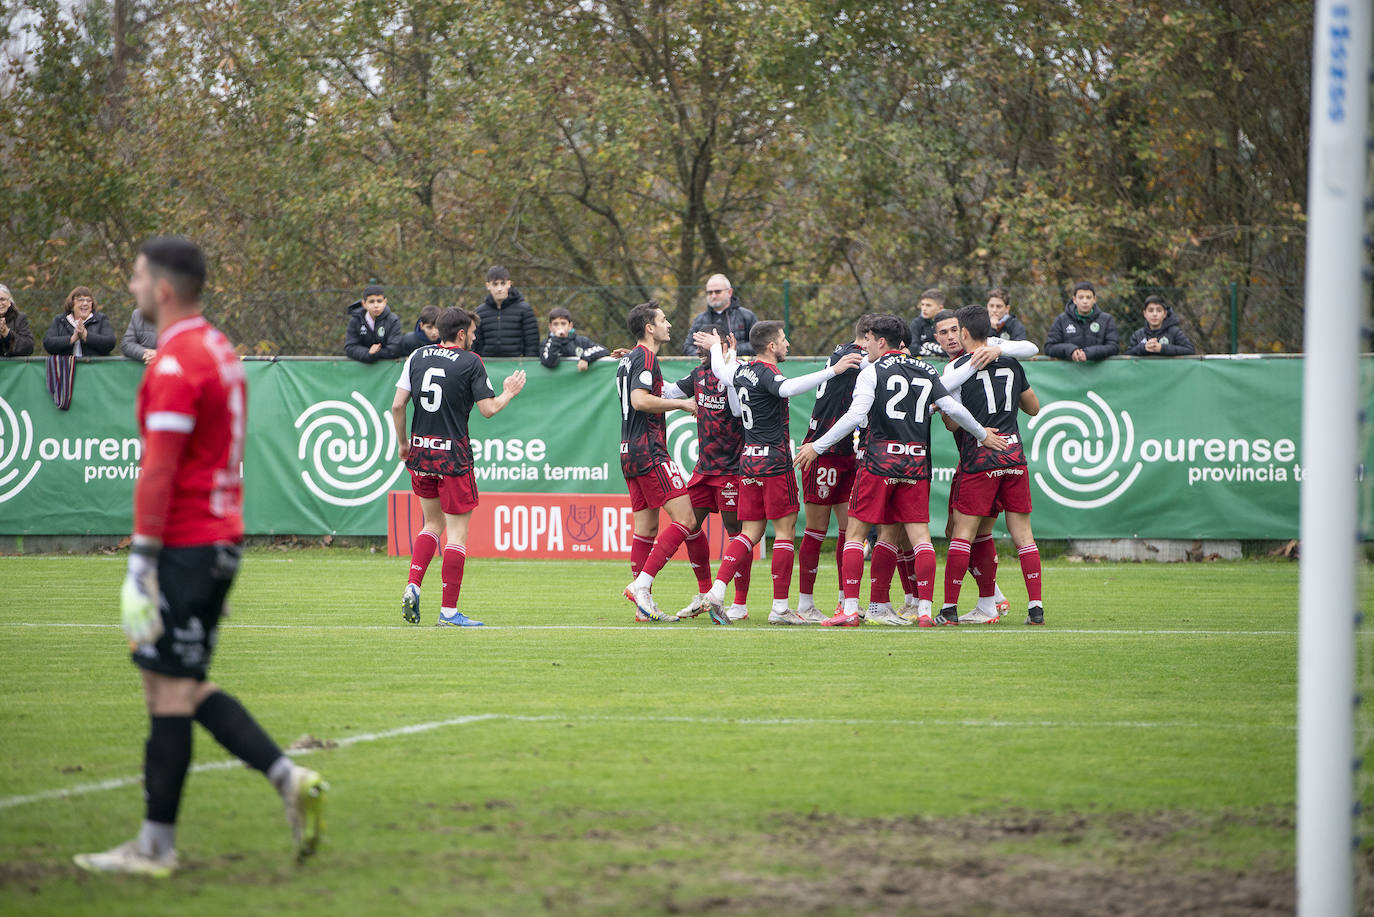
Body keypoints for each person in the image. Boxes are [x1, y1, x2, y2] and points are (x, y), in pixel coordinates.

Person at [74, 237, 325, 878]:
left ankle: (156, 845)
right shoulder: (218, 348)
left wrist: (141, 560)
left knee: (166, 692)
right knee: (182, 685)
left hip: (185, 543)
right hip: (218, 538)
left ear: (162, 288)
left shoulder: (177, 360)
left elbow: (159, 468)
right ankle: (285, 776)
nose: (129, 289)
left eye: (135, 279)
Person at [794, 314, 1005, 627]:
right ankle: (922, 611)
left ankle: (851, 608)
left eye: (867, 341)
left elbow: (854, 416)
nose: (863, 347)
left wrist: (817, 446)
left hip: (879, 461)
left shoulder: (872, 371)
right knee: (920, 538)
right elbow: (952, 408)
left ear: (881, 342)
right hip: (916, 463)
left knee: (856, 533)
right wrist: (982, 434)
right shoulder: (927, 369)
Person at [691, 321, 862, 625]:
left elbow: (719, 369)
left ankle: (717, 591)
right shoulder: (769, 373)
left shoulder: (740, 371)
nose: (787, 345)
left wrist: (718, 347)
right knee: (783, 534)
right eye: (784, 340)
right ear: (771, 346)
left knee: (750, 533)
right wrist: (832, 371)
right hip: (773, 461)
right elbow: (788, 388)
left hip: (749, 461)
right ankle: (780, 608)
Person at [391, 308, 526, 627]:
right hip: (453, 457)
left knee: (431, 524)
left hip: (421, 454)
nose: (476, 337)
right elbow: (488, 409)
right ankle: (449, 612)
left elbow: (398, 405)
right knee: (457, 535)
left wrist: (403, 443)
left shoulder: (417, 356)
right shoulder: (471, 362)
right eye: (474, 332)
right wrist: (508, 393)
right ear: (462, 334)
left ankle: (413, 584)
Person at [925, 308, 1040, 624]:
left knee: (963, 534)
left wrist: (965, 419)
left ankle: (949, 609)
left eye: (954, 331)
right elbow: (1033, 408)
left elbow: (951, 424)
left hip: (979, 458)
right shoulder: (1012, 361)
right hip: (1014, 456)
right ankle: (1034, 607)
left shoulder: (957, 368)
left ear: (963, 333)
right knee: (1022, 536)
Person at [617, 302, 728, 624]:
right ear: (649, 328)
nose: (669, 324)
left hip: (628, 450)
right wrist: (681, 404)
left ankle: (643, 606)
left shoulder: (631, 360)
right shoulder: (646, 358)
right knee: (687, 519)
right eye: (663, 320)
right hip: (650, 450)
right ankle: (642, 586)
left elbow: (639, 390)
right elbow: (640, 400)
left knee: (646, 528)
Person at [662, 334, 751, 621]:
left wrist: (725, 359)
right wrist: (640, 369)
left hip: (731, 469)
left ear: (723, 344)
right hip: (704, 469)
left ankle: (739, 604)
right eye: (697, 344)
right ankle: (704, 594)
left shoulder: (737, 372)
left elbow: (738, 409)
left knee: (735, 533)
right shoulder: (699, 374)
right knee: (689, 525)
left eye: (705, 343)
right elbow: (668, 392)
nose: (698, 348)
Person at [794, 315, 872, 622]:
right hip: (821, 450)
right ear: (868, 337)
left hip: (847, 452)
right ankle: (804, 605)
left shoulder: (860, 359)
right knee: (816, 530)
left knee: (848, 530)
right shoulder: (848, 354)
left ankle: (845, 601)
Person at [681, 273, 758, 357]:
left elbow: (758, 344)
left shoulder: (747, 316)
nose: (713, 296)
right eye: (710, 292)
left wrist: (729, 351)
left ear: (730, 292)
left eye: (718, 291)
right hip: (708, 368)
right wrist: (709, 354)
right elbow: (687, 347)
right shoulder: (700, 319)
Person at [472, 266, 539, 358]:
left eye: (502, 284)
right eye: (495, 284)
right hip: (488, 366)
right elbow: (475, 343)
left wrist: (528, 365)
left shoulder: (524, 310)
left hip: (517, 365)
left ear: (509, 284)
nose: (499, 288)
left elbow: (532, 344)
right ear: (488, 286)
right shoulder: (480, 312)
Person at [1044, 282, 1118, 362]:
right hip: (1068, 372)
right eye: (1081, 297)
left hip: (1098, 372)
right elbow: (1049, 347)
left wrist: (1089, 353)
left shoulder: (1106, 320)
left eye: (1088, 297)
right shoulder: (1061, 320)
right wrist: (1070, 350)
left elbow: (1114, 347)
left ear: (1094, 299)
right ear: (1074, 300)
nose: (1085, 301)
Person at [43, 286, 116, 356]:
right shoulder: (60, 320)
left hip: (94, 368)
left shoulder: (101, 319)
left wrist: (86, 336)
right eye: (80, 300)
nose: (85, 303)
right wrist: (72, 339)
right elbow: (48, 343)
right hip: (66, 368)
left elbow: (110, 342)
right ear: (72, 303)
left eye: (89, 300)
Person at [344, 284, 404, 363]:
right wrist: (368, 353)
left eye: (379, 301)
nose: (376, 305)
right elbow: (350, 347)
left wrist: (377, 352)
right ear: (364, 304)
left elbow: (395, 349)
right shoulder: (355, 321)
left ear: (385, 302)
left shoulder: (393, 320)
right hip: (362, 368)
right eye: (371, 302)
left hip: (387, 369)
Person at [540, 307, 611, 370]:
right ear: (550, 327)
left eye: (563, 323)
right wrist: (556, 340)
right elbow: (549, 362)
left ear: (570, 326)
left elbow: (603, 350)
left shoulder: (581, 341)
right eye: (556, 324)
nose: (560, 327)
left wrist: (585, 358)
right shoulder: (546, 344)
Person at [1126, 295, 1197, 356]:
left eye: (1159, 310)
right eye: (1150, 310)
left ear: (1165, 314)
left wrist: (1162, 348)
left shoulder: (1174, 332)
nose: (1154, 314)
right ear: (1145, 314)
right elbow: (1127, 355)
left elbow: (1190, 350)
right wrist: (1143, 348)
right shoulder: (1138, 335)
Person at [907, 288, 947, 358]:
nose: (924, 309)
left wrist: (926, 345)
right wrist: (936, 351)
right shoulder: (916, 323)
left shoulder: (948, 322)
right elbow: (912, 348)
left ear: (940, 308)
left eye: (928, 305)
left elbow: (950, 349)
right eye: (922, 304)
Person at [0, 284, 35, 357]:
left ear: (9, 302)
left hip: (12, 366)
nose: (0, 303)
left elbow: (28, 348)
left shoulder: (20, 318)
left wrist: (7, 334)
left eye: (2, 299)